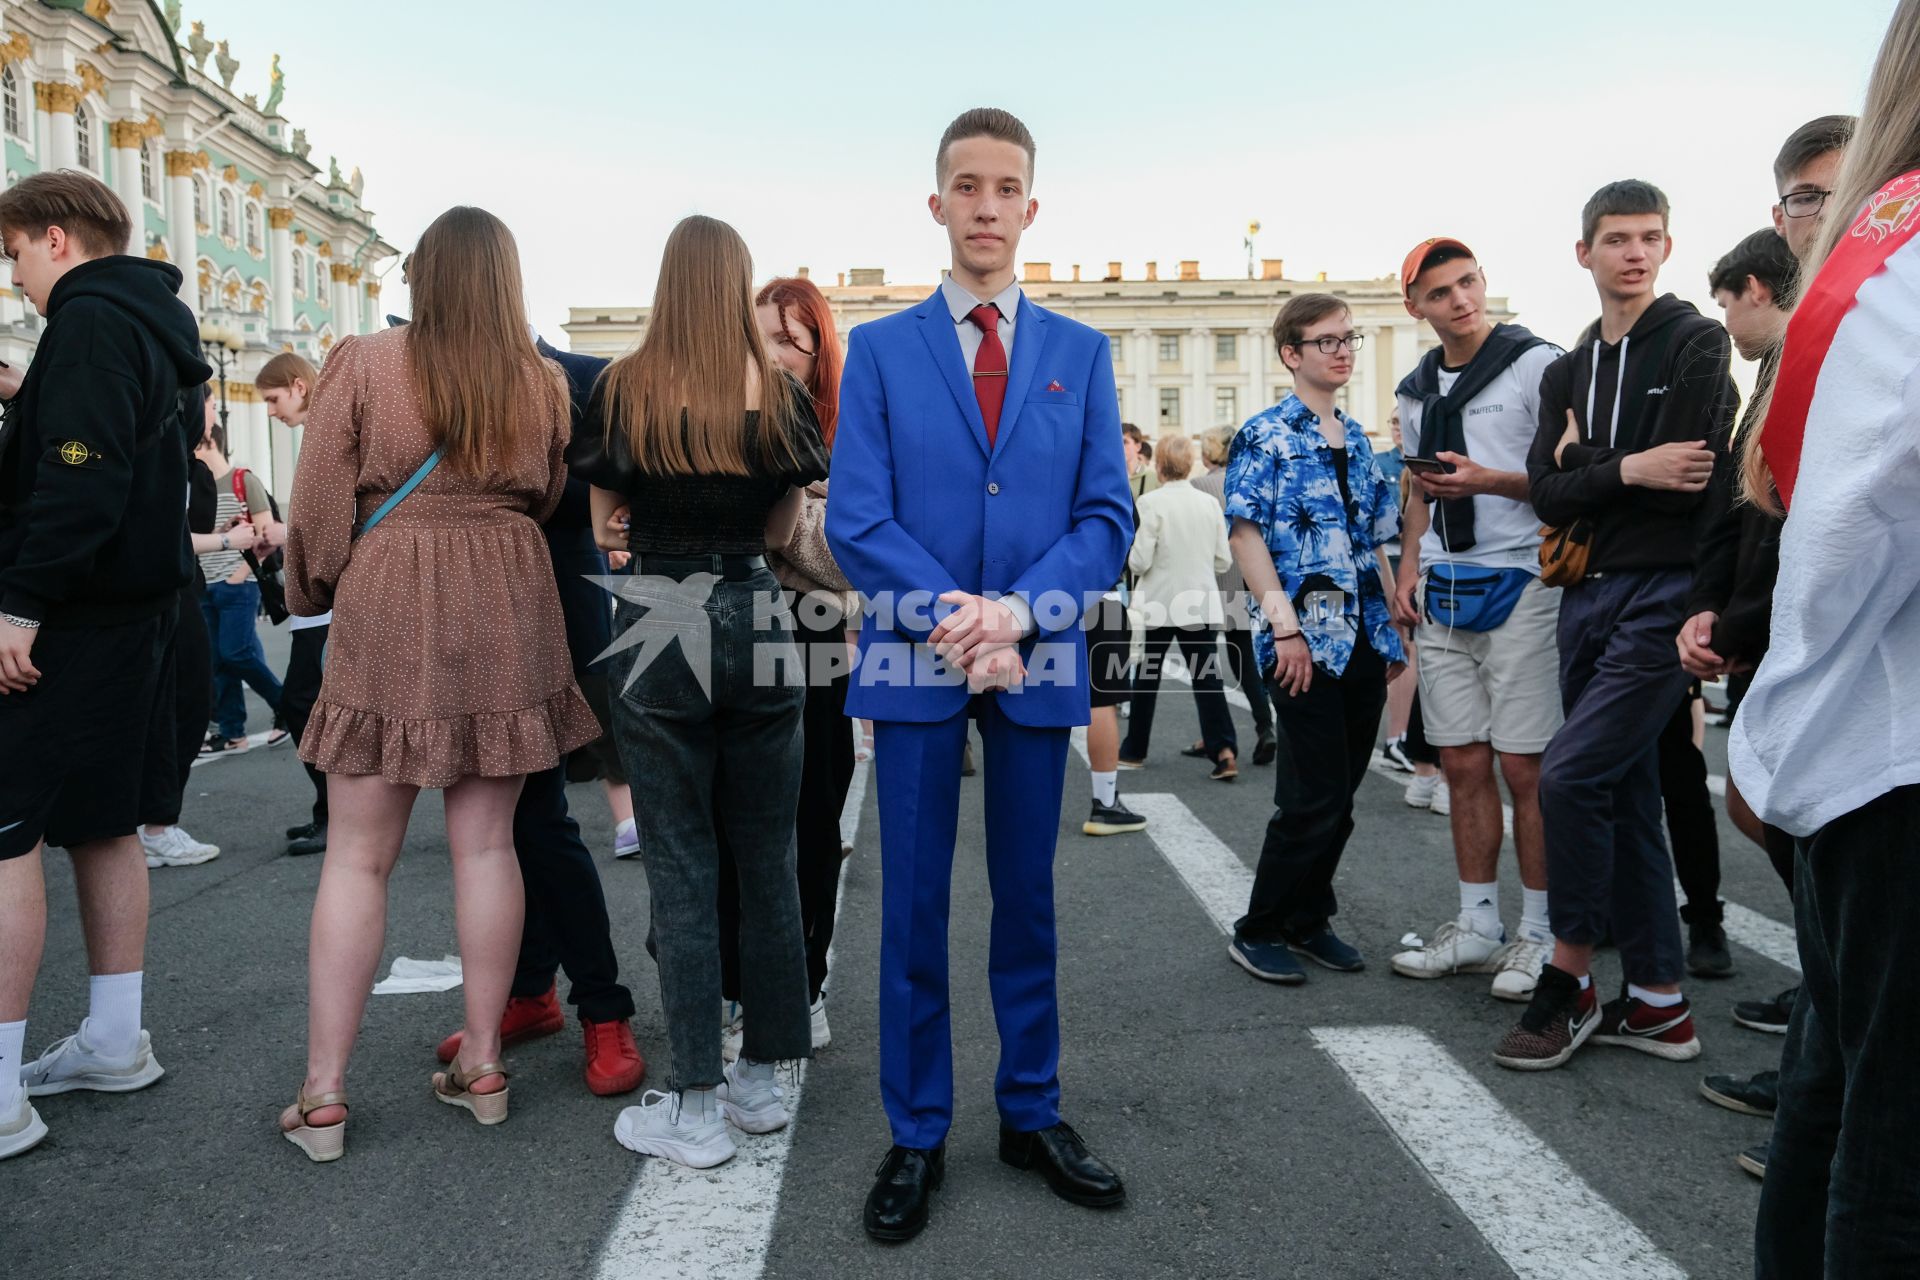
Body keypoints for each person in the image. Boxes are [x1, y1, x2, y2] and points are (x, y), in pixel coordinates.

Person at [827, 108, 1133, 1242]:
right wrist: (961, 620)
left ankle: (1031, 1108)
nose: (988, 204)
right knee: (911, 908)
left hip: (1034, 653)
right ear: (939, 204)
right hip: (919, 660)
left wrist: (1017, 611)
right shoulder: (883, 351)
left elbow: (1107, 515)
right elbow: (859, 517)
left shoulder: (1080, 354)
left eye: (1007, 187)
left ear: (1032, 207)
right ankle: (916, 1131)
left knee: (1029, 901)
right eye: (968, 185)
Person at [277, 206, 601, 1161]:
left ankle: (326, 1093)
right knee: (488, 847)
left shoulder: (366, 362)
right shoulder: (538, 379)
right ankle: (486, 1064)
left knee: (356, 854)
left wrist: (319, 585)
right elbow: (546, 494)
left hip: (390, 584)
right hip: (508, 584)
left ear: (421, 276)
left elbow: (315, 505)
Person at [571, 214, 826, 1171]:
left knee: (679, 859)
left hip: (658, 603)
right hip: (756, 605)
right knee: (767, 852)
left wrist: (641, 528)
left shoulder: (626, 385)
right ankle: (765, 1075)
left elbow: (604, 522)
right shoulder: (774, 387)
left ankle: (692, 1104)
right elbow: (786, 515)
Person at [1738, 9, 1920, 1265]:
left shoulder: (1883, 246)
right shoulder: (1897, 254)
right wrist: (1774, 750)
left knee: (1842, 1093)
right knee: (1892, 1150)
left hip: (1867, 749)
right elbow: (1846, 525)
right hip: (1887, 757)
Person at [1494, 180, 1737, 1072]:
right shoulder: (1565, 369)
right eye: (1616, 239)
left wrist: (1588, 464)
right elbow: (1544, 489)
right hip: (1583, 590)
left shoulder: (1698, 339)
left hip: (1663, 592)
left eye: (1649, 238)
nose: (1634, 252)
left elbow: (1697, 473)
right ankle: (1662, 1005)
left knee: (1569, 774)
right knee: (1625, 794)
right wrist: (1628, 464)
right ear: (1584, 253)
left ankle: (1572, 976)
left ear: (1666, 248)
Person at [0, 171, 211, 1160]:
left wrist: (20, 604)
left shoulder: (86, 321)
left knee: (4, 836)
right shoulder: (157, 322)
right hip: (145, 608)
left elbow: (79, 476)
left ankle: (0, 1091)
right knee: (104, 823)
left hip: (75, 613)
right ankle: (115, 1037)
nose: (16, 278)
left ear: (55, 238)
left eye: (14, 256)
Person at [428, 319, 647, 1101]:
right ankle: (532, 991)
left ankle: (602, 1006)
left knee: (543, 818)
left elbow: (603, 496)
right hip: (469, 614)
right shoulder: (424, 372)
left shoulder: (580, 375)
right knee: (509, 820)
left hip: (556, 612)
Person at [1385, 238, 1563, 1003]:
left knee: (1527, 767)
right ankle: (1478, 922)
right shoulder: (1416, 389)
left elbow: (1572, 476)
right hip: (1448, 584)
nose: (1461, 299)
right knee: (1459, 763)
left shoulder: (1537, 363)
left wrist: (1486, 480)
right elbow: (1421, 488)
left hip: (1526, 576)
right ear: (1416, 306)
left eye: (1469, 282)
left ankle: (1542, 933)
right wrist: (1408, 565)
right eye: (1442, 291)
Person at [1223, 293, 1406, 985]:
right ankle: (1260, 926)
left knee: (1343, 792)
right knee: (1310, 794)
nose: (1343, 350)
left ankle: (1308, 917)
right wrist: (1284, 626)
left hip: (1361, 634)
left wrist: (1389, 631)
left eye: (1348, 338)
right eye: (1326, 340)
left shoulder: (1358, 439)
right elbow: (1246, 533)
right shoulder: (1265, 435)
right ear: (1291, 354)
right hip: (1300, 636)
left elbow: (1374, 540)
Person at [717, 274, 858, 1056]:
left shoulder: (847, 433)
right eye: (762, 335)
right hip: (731, 636)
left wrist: (779, 523)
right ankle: (739, 985)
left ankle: (806, 981)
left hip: (811, 644)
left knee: (811, 821)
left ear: (817, 352)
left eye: (790, 340)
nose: (773, 354)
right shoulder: (724, 419)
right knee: (734, 821)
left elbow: (845, 562)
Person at [136, 387, 223, 870]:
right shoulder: (162, 457)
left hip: (181, 590)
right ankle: (156, 826)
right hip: (166, 591)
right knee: (180, 705)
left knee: (182, 704)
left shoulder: (192, 468)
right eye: (208, 402)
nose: (213, 413)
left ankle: (154, 821)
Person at [1118, 434, 1237, 779]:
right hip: (1199, 601)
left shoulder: (1150, 503)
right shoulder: (1208, 504)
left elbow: (1139, 562)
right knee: (1207, 678)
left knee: (1147, 679)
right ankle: (1224, 750)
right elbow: (1222, 560)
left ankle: (1134, 750)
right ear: (1189, 464)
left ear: (1159, 465)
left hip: (1159, 601)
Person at [257, 353, 329, 856]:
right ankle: (329, 815)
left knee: (305, 707)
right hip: (319, 604)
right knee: (306, 707)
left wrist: (289, 532)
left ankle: (337, 819)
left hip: (331, 605)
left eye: (273, 399)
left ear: (299, 386)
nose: (269, 411)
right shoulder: (323, 432)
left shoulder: (330, 433)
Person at [194, 412, 284, 754]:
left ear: (210, 442)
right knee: (219, 662)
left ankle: (285, 704)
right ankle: (233, 732)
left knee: (236, 652)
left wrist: (240, 575)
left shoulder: (243, 480)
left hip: (237, 585)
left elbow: (267, 536)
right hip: (206, 583)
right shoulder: (196, 488)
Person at [1191, 427, 1276, 766]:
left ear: (1208, 453)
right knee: (1244, 660)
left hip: (1210, 582)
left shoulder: (1199, 487)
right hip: (1245, 579)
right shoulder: (1250, 482)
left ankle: (1217, 738)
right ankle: (1264, 725)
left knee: (1205, 665)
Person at [1080, 425, 1148, 837]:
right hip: (1098, 596)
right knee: (1100, 702)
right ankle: (1104, 801)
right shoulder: (1105, 474)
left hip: (1036, 595)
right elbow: (1124, 533)